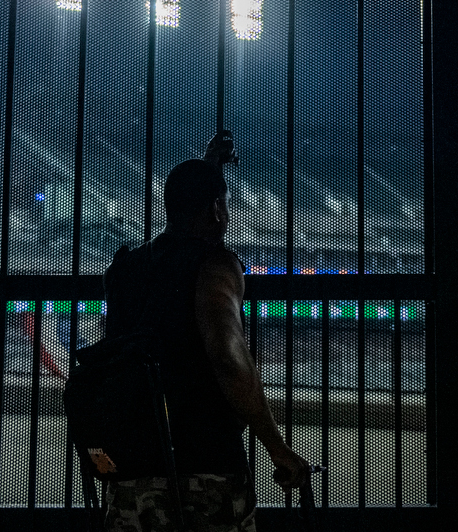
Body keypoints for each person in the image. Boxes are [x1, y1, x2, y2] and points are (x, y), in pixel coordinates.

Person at [102, 132, 309, 532]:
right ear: (217, 209)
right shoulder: (216, 266)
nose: (227, 217)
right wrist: (276, 447)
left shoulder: (125, 269)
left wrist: (208, 167)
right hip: (204, 463)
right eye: (226, 206)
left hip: (131, 462)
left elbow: (168, 279)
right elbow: (228, 360)